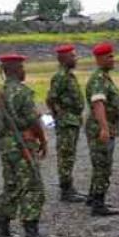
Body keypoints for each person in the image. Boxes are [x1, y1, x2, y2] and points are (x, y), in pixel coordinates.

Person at [0, 53, 56, 237]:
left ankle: (3, 232)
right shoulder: (22, 92)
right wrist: (43, 141)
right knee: (33, 187)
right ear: (16, 70)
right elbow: (32, 121)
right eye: (22, 68)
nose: (24, 71)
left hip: (6, 146)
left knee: (11, 185)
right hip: (23, 145)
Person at [85, 42, 119, 216]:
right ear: (100, 59)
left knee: (100, 163)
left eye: (112, 56)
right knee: (103, 165)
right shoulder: (98, 79)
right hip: (100, 128)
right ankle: (98, 205)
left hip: (104, 126)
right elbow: (98, 103)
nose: (113, 59)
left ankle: (93, 197)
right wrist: (104, 128)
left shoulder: (103, 77)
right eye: (109, 57)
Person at [46, 44, 86, 203]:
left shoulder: (69, 75)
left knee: (70, 155)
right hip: (66, 122)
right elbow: (51, 99)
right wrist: (60, 116)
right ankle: (66, 191)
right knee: (66, 156)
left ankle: (70, 188)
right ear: (63, 59)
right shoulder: (60, 76)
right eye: (72, 56)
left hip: (73, 121)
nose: (75, 59)